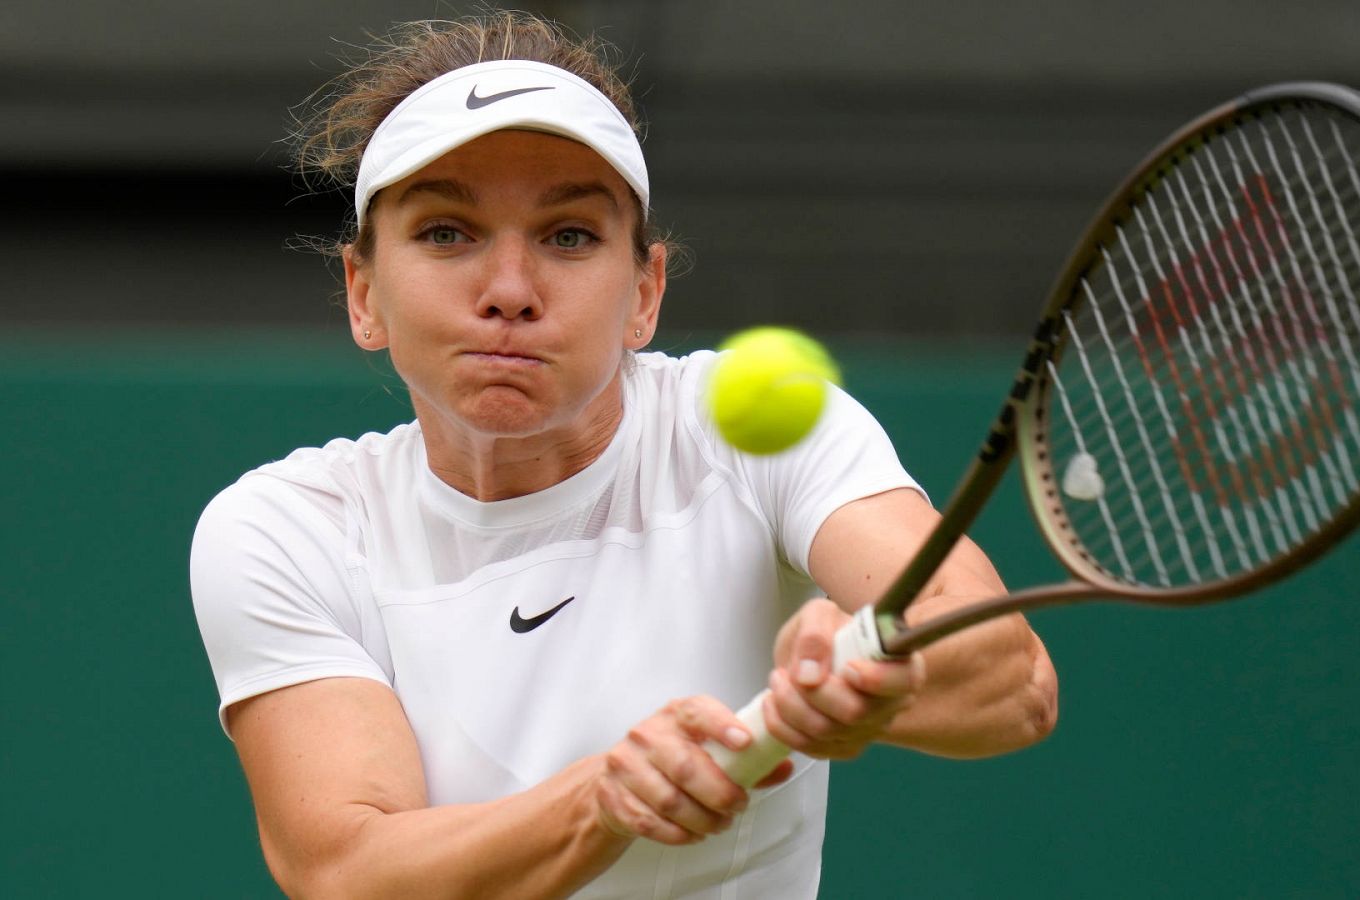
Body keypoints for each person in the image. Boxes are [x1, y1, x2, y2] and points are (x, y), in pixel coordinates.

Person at [190, 10, 1057, 899]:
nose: (510, 291)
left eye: (569, 236)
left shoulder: (755, 431)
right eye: (447, 233)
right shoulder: (287, 528)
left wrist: (877, 676)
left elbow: (1013, 681)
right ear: (362, 293)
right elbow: (349, 872)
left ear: (644, 294)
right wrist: (601, 799)